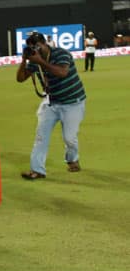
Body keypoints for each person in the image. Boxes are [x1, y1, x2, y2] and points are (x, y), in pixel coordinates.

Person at [17, 32, 86, 180]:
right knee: (41, 136)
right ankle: (37, 170)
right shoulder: (35, 61)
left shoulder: (61, 53)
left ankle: (72, 159)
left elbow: (62, 72)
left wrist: (40, 62)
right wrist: (24, 60)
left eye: (36, 46)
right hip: (51, 103)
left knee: (69, 138)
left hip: (73, 102)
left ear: (44, 44)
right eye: (31, 48)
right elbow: (20, 78)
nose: (35, 50)